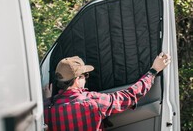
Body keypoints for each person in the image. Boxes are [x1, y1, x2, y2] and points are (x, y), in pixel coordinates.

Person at [43, 52, 171, 131]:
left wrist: (46, 100)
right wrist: (153, 71)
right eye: (85, 75)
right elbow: (130, 95)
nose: (86, 79)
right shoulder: (93, 101)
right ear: (77, 79)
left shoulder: (45, 109)